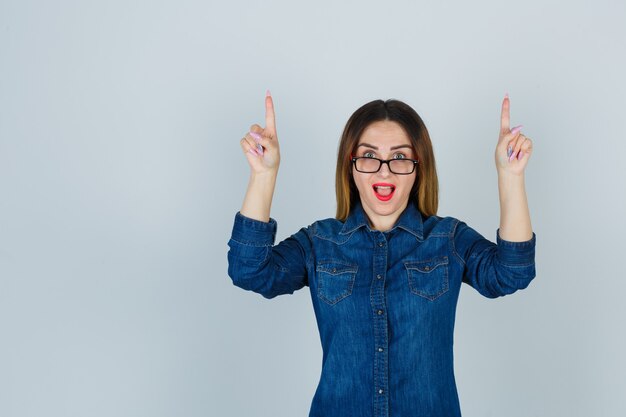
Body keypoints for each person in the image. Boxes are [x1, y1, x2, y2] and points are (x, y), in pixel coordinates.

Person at [227, 90, 536, 417]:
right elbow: (250, 271)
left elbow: (512, 272)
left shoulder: (448, 239)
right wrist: (263, 175)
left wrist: (511, 176)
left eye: (400, 157)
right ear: (351, 166)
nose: (384, 171)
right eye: (369, 156)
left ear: (418, 168)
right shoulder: (320, 242)